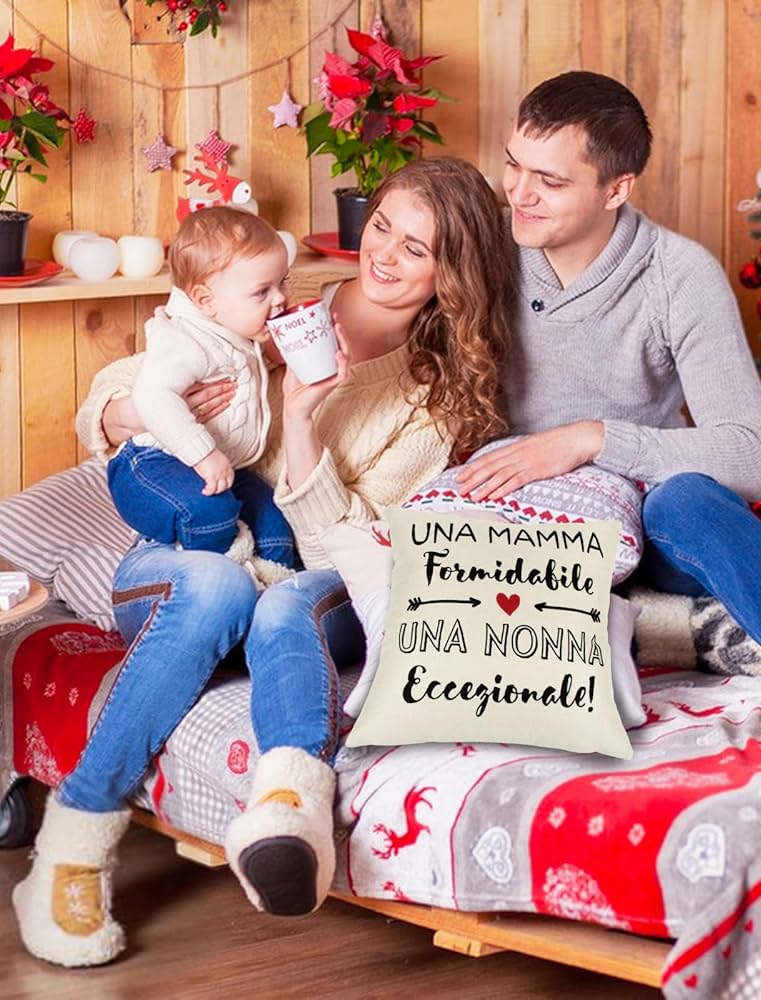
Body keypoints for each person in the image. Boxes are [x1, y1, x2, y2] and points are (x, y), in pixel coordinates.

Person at [12, 156, 510, 968]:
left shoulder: (433, 396)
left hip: (302, 582)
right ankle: (74, 850)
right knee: (214, 583)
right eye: (383, 226)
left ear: (451, 273)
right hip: (190, 565)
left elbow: (349, 545)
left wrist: (302, 420)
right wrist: (142, 411)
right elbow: (119, 392)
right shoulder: (280, 297)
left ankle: (287, 808)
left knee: (279, 599)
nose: (385, 254)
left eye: (415, 248)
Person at [454, 71, 761, 734]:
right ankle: (683, 629)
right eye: (514, 165)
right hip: (515, 539)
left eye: (550, 181)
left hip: (637, 535)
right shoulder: (484, 251)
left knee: (683, 500)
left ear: (616, 189)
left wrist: (591, 439)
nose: (519, 193)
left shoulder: (678, 274)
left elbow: (750, 458)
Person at [106, 206, 298, 584]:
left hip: (223, 466)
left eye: (283, 282)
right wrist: (204, 454)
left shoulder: (234, 328)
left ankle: (275, 589)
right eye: (262, 291)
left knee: (276, 525)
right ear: (206, 301)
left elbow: (248, 367)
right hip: (153, 464)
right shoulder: (185, 340)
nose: (279, 299)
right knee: (209, 512)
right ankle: (221, 578)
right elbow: (152, 396)